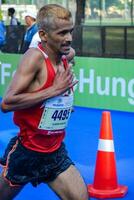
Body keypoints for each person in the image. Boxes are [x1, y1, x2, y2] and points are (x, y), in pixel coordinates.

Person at [0, 4, 89, 200]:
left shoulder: (65, 54)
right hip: (27, 152)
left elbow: (70, 52)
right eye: (62, 33)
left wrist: (62, 103)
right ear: (43, 35)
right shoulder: (34, 58)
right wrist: (54, 90)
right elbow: (6, 103)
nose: (69, 38)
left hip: (55, 151)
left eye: (70, 31)